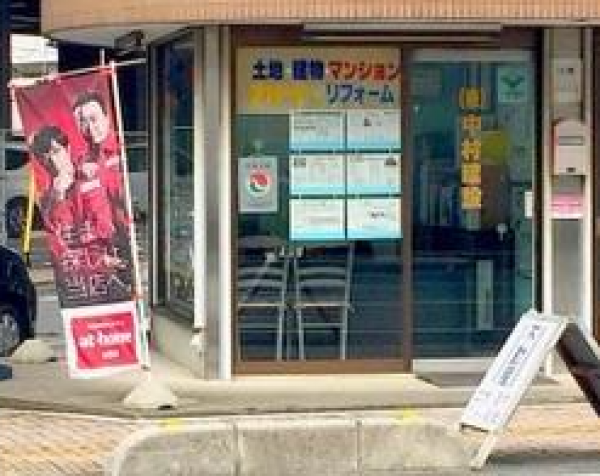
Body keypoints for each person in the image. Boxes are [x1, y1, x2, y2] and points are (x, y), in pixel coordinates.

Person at [30, 125, 79, 260]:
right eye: (45, 156)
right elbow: (56, 233)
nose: (52, 160)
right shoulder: (47, 198)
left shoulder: (90, 174)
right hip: (69, 259)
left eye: (56, 151)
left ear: (67, 149)